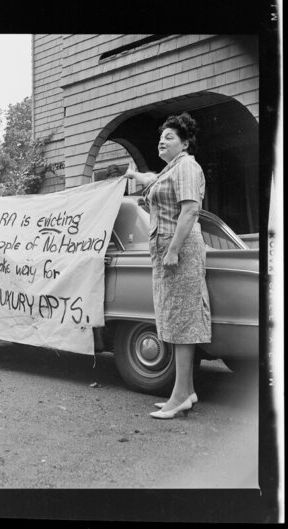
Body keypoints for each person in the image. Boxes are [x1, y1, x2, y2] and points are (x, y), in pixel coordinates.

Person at [125, 112, 211, 419]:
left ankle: (178, 397)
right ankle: (186, 392)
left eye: (170, 138)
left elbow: (190, 211)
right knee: (174, 321)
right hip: (167, 250)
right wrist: (135, 176)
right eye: (161, 138)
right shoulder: (170, 170)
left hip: (180, 250)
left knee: (183, 322)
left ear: (185, 143)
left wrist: (173, 251)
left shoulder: (187, 165)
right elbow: (153, 181)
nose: (162, 141)